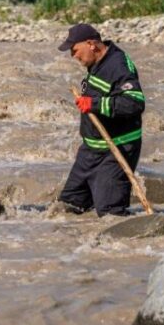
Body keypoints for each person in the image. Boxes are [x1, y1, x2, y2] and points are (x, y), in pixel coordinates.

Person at [57, 24, 145, 216]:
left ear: (91, 44)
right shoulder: (97, 62)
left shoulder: (118, 66)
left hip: (116, 149)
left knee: (110, 213)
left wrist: (94, 104)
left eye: (75, 50)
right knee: (68, 206)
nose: (74, 56)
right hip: (90, 151)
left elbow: (135, 103)